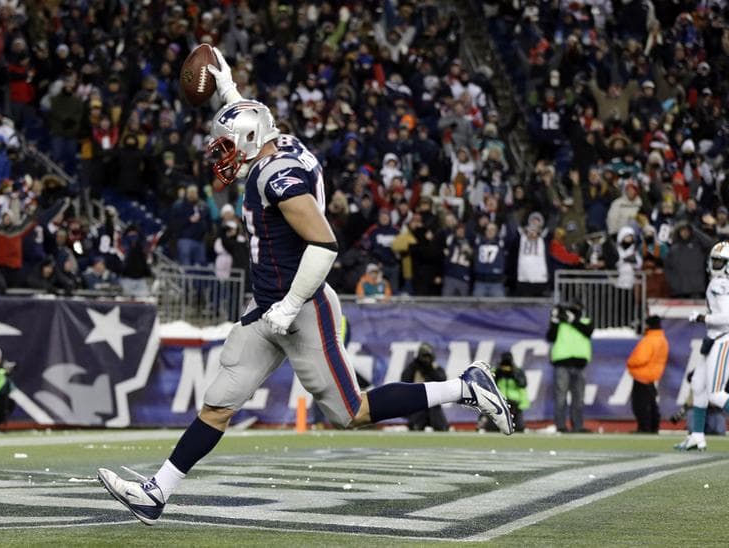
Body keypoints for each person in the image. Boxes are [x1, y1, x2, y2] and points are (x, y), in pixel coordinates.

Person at [98, 50, 513, 525]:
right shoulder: (279, 145)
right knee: (218, 403)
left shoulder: (279, 180)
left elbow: (324, 244)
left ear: (251, 142)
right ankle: (157, 493)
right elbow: (256, 124)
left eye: (227, 146)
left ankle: (465, 388)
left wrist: (291, 304)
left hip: (300, 309)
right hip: (268, 305)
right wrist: (227, 88)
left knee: (351, 411)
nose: (221, 154)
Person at [676, 242, 729, 451]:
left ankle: (697, 436)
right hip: (716, 338)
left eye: (720, 262)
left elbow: (727, 317)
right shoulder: (720, 282)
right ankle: (697, 436)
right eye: (714, 260)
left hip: (723, 338)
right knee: (698, 383)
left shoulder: (720, 284)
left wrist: (701, 317)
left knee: (716, 394)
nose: (714, 265)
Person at [546, 299, 593, 433]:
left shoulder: (585, 322)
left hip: (579, 364)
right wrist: (555, 320)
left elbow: (588, 331)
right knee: (561, 397)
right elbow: (550, 337)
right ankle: (561, 425)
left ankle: (577, 426)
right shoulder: (560, 324)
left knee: (578, 398)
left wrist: (573, 321)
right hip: (562, 364)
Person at [626, 315, 668, 433]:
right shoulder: (662, 339)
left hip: (642, 376)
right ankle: (653, 427)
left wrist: (630, 362)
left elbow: (640, 358)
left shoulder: (650, 339)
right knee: (651, 404)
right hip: (652, 375)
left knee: (640, 405)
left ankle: (644, 428)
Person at [400, 343, 449, 432]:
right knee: (415, 427)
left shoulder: (435, 368)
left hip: (434, 404)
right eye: (424, 357)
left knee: (442, 428)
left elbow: (442, 380)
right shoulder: (413, 367)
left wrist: (429, 370)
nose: (426, 359)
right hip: (417, 404)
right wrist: (413, 367)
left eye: (428, 357)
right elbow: (404, 381)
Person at [481, 352, 530, 433]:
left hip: (515, 404)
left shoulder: (518, 371)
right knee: (491, 428)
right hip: (500, 403)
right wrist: (497, 374)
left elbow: (523, 384)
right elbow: (487, 384)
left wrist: (514, 374)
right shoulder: (496, 370)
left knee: (518, 428)